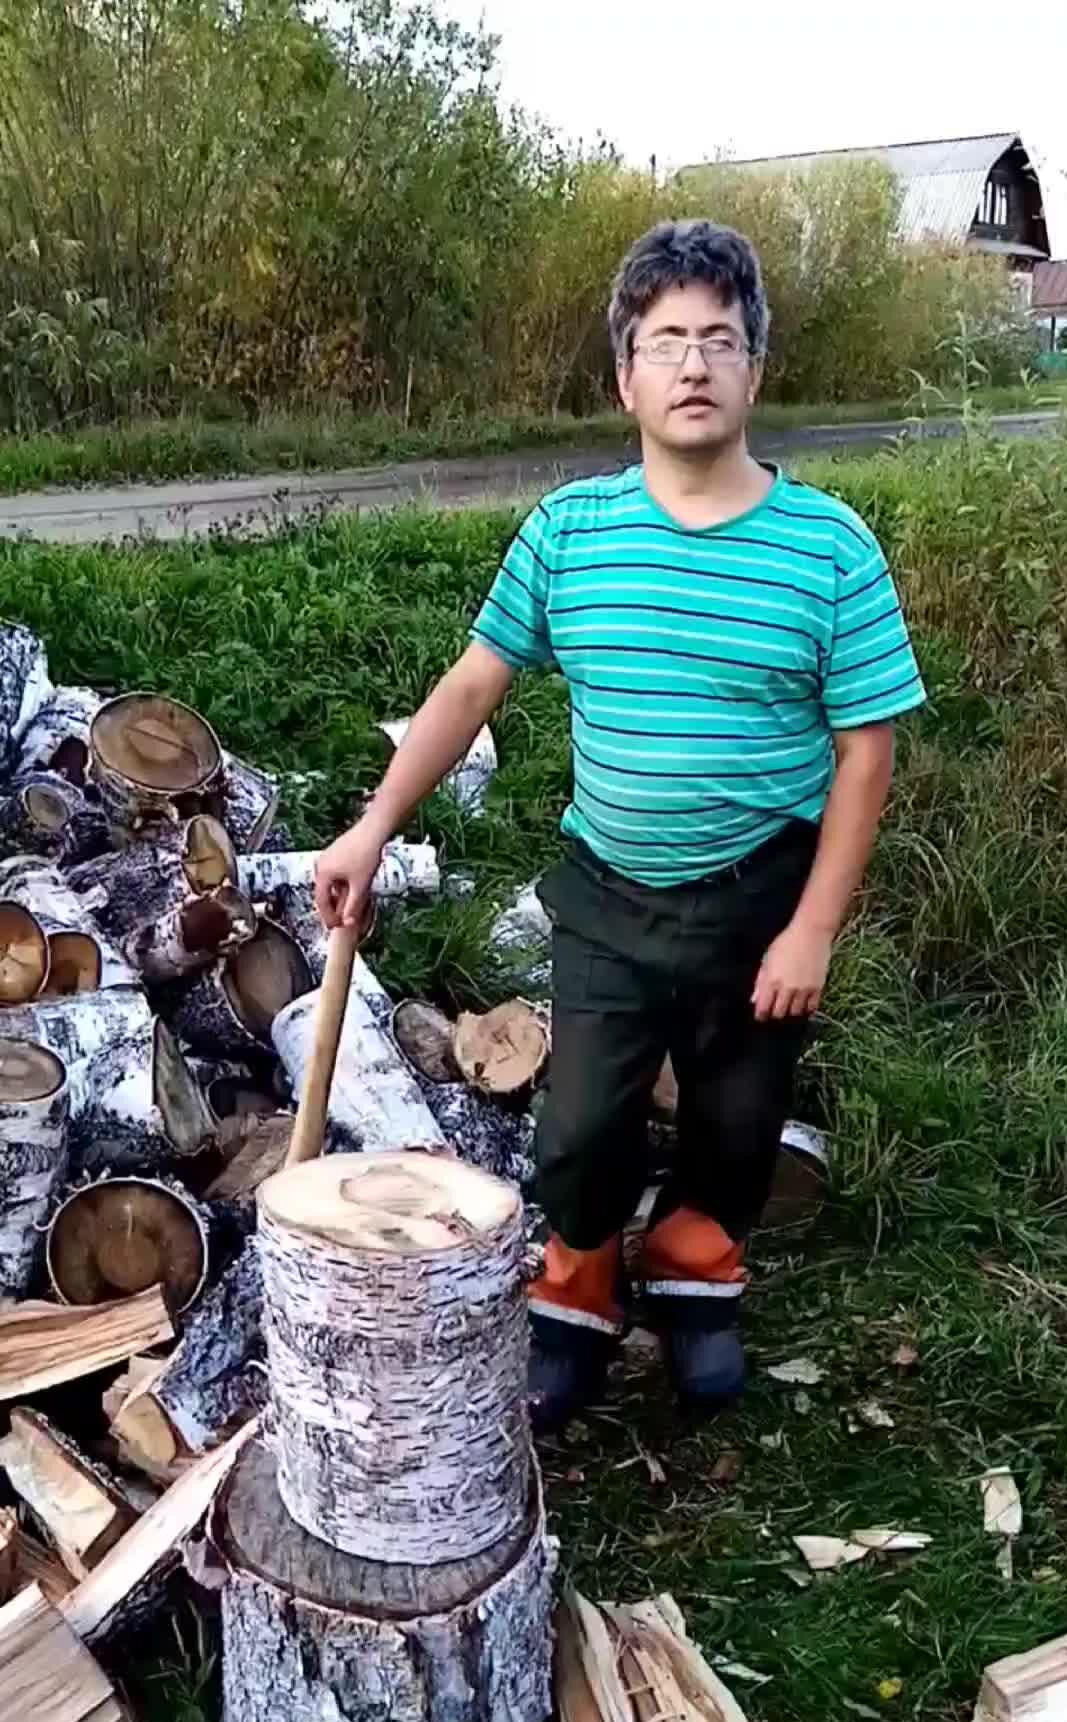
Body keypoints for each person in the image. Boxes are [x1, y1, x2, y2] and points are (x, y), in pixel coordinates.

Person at [314, 219, 926, 1433]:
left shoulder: (831, 548)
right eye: (665, 344)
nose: (693, 365)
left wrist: (812, 929)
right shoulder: (570, 535)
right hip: (611, 893)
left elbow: (866, 754)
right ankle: (580, 1284)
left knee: (739, 1120)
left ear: (756, 368)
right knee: (583, 1120)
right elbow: (474, 681)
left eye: (719, 340)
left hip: (763, 897)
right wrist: (374, 824)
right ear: (625, 379)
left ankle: (695, 1270)